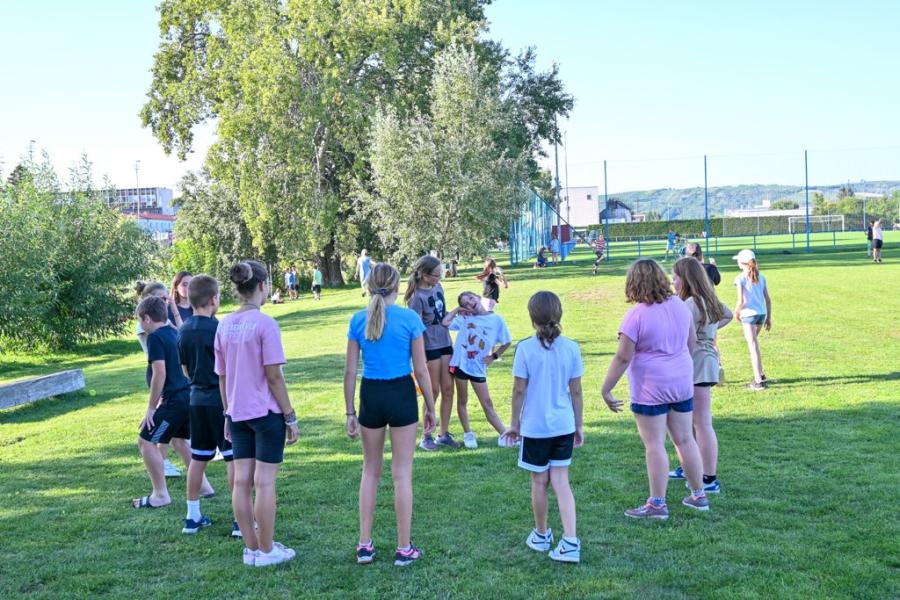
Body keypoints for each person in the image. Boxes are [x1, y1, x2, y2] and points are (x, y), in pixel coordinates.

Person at [600, 259, 709, 519]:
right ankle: (699, 495)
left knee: (654, 444)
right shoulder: (680, 306)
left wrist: (606, 389)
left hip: (650, 387)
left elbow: (623, 357)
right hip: (681, 383)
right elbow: (691, 342)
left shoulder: (636, 315)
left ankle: (657, 504)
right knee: (685, 439)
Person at [344, 263, 436, 566]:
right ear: (397, 287)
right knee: (402, 473)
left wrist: (350, 412)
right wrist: (431, 406)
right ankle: (403, 548)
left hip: (371, 395)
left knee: (370, 471)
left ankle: (364, 545)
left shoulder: (358, 319)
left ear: (369, 286)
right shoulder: (409, 319)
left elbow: (350, 372)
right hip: (401, 394)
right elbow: (421, 369)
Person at [215, 260, 300, 567]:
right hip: (265, 413)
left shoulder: (223, 324)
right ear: (262, 286)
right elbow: (274, 376)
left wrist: (227, 412)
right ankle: (266, 550)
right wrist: (290, 415)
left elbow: (222, 376)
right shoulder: (266, 324)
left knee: (241, 483)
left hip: (237, 413)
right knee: (264, 483)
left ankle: (251, 548)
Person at [503, 291, 584, 563]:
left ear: (532, 317)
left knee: (539, 481)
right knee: (561, 481)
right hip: (563, 425)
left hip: (535, 428)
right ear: (559, 314)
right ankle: (570, 541)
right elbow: (576, 392)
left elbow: (518, 390)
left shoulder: (525, 348)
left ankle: (541, 534)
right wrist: (578, 425)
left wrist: (514, 424)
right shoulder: (571, 347)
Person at [177, 275, 239, 537]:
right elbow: (229, 368)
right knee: (232, 457)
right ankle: (239, 519)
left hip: (196, 399)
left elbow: (185, 369)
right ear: (214, 299)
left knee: (198, 457)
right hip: (220, 399)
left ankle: (192, 517)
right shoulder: (219, 328)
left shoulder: (183, 329)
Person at [669, 258, 733, 494]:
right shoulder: (707, 299)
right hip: (705, 361)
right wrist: (710, 331)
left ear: (686, 279)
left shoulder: (688, 303)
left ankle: (708, 478)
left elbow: (684, 337)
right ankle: (690, 467)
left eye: (675, 277)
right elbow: (727, 314)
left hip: (697, 363)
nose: (672, 282)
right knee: (694, 422)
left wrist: (702, 335)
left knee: (701, 423)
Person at [132, 295, 193, 510]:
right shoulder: (174, 332)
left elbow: (159, 373)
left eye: (140, 320)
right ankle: (204, 487)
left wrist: (151, 407)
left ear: (147, 318)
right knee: (179, 441)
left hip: (173, 401)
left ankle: (160, 494)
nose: (140, 325)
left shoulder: (155, 338)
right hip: (187, 396)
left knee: (146, 441)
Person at [442, 292, 512, 448]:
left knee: (487, 403)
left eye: (471, 298)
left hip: (478, 367)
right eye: (465, 304)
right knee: (462, 399)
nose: (470, 303)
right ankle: (468, 434)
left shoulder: (496, 320)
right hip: (461, 364)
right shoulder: (465, 319)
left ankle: (505, 434)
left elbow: (507, 342)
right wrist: (458, 310)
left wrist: (494, 356)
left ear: (478, 298)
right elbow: (445, 322)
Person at [404, 256, 459, 451]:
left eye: (440, 273)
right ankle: (426, 436)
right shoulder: (415, 297)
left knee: (448, 389)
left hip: (445, 342)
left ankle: (443, 434)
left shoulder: (438, 287)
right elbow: (415, 329)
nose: (439, 278)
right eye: (436, 275)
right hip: (429, 347)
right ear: (424, 274)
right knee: (432, 391)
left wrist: (459, 312)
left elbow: (441, 315)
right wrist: (420, 354)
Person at [732, 249, 772, 390]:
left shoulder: (740, 278)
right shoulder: (762, 277)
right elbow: (768, 300)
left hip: (749, 315)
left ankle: (758, 381)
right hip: (761, 314)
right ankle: (761, 374)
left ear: (742, 263)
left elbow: (741, 301)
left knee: (753, 347)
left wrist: (736, 312)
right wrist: (769, 317)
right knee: (755, 344)